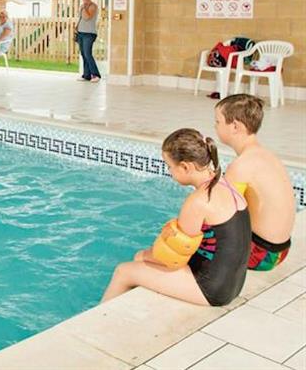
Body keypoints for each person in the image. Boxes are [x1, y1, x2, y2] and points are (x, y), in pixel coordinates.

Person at [101, 128, 251, 306]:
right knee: (142, 261)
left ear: (185, 167)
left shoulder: (198, 201)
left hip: (212, 290)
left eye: (169, 166)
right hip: (233, 284)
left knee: (124, 271)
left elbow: (173, 259)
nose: (169, 171)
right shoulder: (227, 185)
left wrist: (145, 255)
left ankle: (93, 325)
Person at [215, 94, 295, 270]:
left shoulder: (241, 166)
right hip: (280, 250)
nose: (215, 126)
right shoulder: (266, 155)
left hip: (260, 253)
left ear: (235, 126)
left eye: (218, 122)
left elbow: (221, 211)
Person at [76, 0, 101, 83]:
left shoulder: (93, 6)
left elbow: (87, 17)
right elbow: (81, 18)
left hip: (89, 33)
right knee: (83, 54)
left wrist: (84, 8)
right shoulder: (82, 6)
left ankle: (96, 75)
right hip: (81, 32)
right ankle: (86, 75)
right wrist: (77, 27)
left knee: (87, 54)